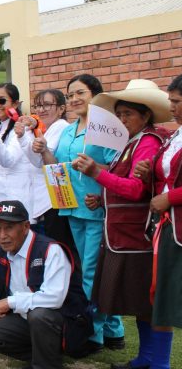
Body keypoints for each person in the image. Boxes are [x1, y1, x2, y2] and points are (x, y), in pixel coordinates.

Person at [72, 79, 171, 369]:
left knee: (148, 304)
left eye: (128, 113)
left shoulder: (148, 141)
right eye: (120, 113)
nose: (122, 119)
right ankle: (146, 358)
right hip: (123, 236)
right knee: (142, 304)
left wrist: (96, 174)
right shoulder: (132, 143)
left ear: (145, 115)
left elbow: (136, 190)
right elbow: (126, 186)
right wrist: (102, 198)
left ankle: (156, 361)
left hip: (136, 238)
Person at [33, 73, 125, 351]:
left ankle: (91, 333)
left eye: (80, 93)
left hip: (97, 209)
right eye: (71, 94)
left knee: (91, 274)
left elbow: (120, 168)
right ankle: (114, 331)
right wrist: (44, 150)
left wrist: (95, 171)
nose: (74, 99)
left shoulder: (107, 129)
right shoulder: (70, 130)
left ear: (96, 95)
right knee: (88, 270)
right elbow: (57, 166)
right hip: (71, 209)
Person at [0, 201, 90, 368]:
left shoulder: (50, 250)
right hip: (25, 318)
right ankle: (43, 356)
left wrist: (10, 302)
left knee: (39, 315)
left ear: (25, 227)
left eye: (8, 227)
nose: (2, 235)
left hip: (66, 323)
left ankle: (45, 364)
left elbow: (54, 298)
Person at [132, 74, 182, 369]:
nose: (172, 108)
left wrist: (171, 198)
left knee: (171, 295)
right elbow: (167, 176)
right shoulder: (175, 136)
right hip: (165, 226)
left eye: (176, 102)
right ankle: (156, 361)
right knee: (160, 295)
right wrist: (147, 173)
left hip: (176, 225)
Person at [0, 83, 50, 234]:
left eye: (2, 101)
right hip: (3, 203)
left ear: (15, 104)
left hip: (20, 205)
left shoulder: (22, 128)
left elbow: (8, 160)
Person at [21, 88, 76, 253]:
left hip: (56, 199)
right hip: (54, 198)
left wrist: (23, 137)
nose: (41, 110)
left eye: (46, 105)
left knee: (59, 250)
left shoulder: (61, 127)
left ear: (61, 109)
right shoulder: (50, 128)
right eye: (37, 106)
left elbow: (39, 161)